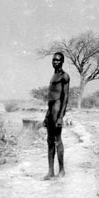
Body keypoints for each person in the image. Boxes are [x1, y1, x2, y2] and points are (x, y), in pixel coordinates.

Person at [42, 52, 70, 180]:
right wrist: (46, 115)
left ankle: (62, 170)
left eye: (58, 60)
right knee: (49, 141)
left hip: (58, 110)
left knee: (57, 140)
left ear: (62, 61)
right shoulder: (53, 76)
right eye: (53, 60)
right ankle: (50, 172)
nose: (55, 62)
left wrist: (61, 116)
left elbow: (65, 98)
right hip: (51, 110)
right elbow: (50, 98)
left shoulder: (65, 76)